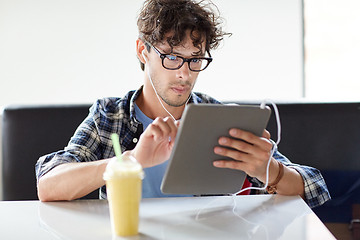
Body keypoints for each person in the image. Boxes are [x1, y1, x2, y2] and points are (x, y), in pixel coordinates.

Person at [35, 0, 330, 208]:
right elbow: (48, 185)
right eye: (172, 57)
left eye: (195, 60)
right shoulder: (111, 116)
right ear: (143, 51)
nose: (184, 74)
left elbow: (314, 186)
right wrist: (131, 160)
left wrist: (271, 171)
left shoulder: (218, 117)